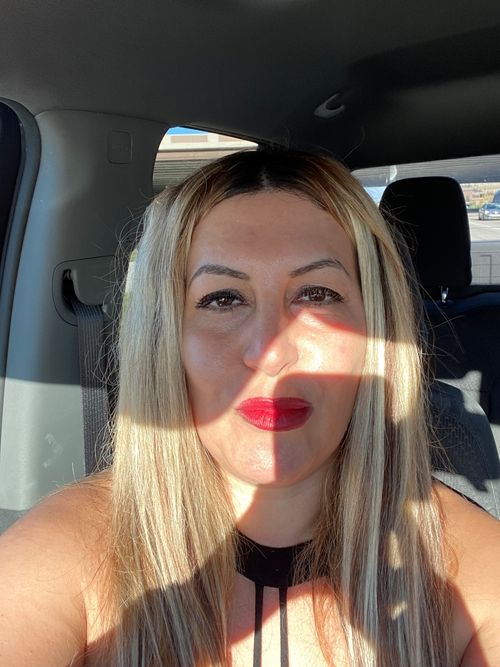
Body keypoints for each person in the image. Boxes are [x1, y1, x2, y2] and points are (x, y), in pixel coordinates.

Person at [0, 149, 499, 667]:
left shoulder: (477, 575)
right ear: (165, 339)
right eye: (223, 299)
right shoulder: (66, 554)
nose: (270, 352)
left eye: (316, 294)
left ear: (376, 329)